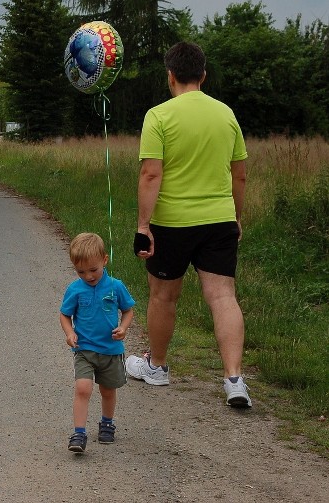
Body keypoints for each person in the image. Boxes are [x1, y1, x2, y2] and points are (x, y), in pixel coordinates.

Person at [126, 41, 252, 408]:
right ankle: (234, 379)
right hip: (219, 220)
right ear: (203, 75)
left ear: (171, 76)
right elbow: (239, 175)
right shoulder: (226, 114)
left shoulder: (158, 116)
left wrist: (143, 225)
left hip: (171, 223)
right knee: (223, 297)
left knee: (164, 295)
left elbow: (151, 174)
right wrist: (236, 217)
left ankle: (158, 367)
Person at [60, 233, 135, 453]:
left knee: (107, 390)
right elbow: (64, 315)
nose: (88, 276)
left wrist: (123, 328)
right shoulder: (75, 289)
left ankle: (107, 423)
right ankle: (79, 433)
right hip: (84, 349)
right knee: (83, 388)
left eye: (93, 270)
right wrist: (69, 332)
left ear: (104, 259)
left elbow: (128, 310)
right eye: (81, 272)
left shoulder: (115, 286)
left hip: (111, 350)